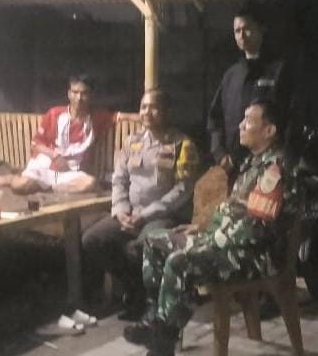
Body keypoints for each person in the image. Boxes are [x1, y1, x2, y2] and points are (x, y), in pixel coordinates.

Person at [126, 100, 294, 355]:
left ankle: (163, 339)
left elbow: (256, 228)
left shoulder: (275, 168)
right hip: (227, 244)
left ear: (269, 131)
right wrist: (202, 229)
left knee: (179, 261)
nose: (240, 125)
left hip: (253, 256)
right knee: (155, 241)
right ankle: (155, 319)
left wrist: (210, 239)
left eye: (248, 121)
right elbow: (234, 211)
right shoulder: (253, 162)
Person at [81, 89, 201, 320]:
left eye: (153, 107)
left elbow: (182, 190)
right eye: (144, 106)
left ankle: (149, 301)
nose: (147, 112)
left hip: (164, 216)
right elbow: (119, 179)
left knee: (139, 247)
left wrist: (145, 215)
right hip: (130, 213)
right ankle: (133, 288)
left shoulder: (182, 145)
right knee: (92, 239)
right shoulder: (132, 141)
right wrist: (120, 210)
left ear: (166, 111)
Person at [0, 74, 137, 194]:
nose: (79, 98)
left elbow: (121, 116)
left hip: (70, 173)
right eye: (75, 92)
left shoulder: (96, 117)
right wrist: (54, 156)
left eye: (84, 93)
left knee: (90, 183)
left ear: (90, 95)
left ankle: (48, 187)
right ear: (69, 94)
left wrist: (143, 116)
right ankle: (14, 178)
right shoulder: (54, 114)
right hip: (46, 165)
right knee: (20, 186)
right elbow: (35, 144)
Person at [207, 3, 289, 178]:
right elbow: (215, 118)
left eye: (247, 29)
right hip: (233, 167)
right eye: (237, 31)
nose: (242, 35)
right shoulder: (231, 75)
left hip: (269, 165)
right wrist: (219, 153)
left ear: (262, 29)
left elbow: (289, 116)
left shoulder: (280, 70)